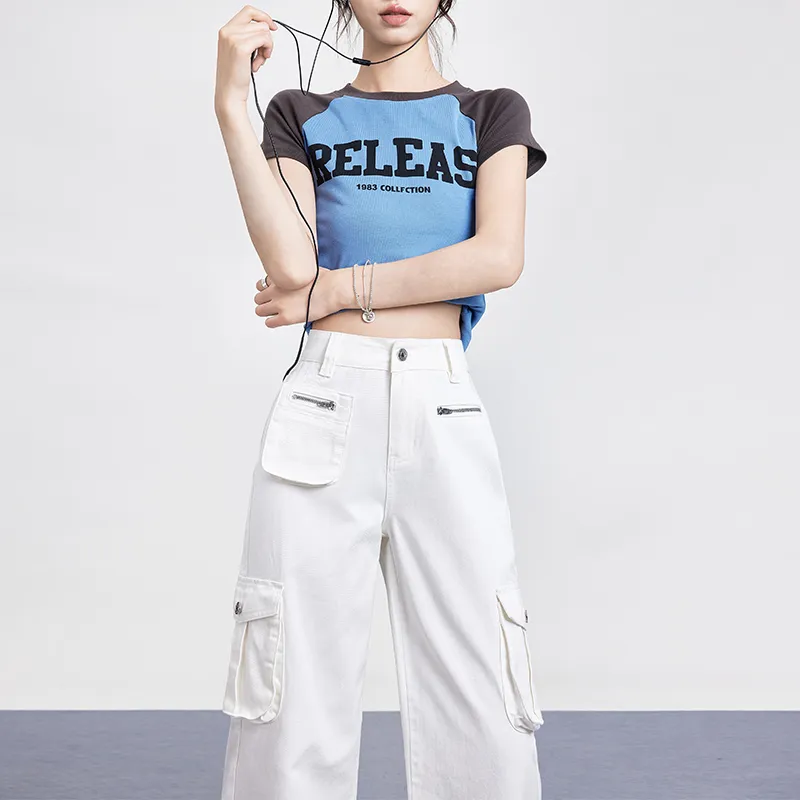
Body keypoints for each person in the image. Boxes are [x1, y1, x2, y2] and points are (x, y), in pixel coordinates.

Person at [213, 2, 547, 798]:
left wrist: (341, 288)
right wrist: (230, 106)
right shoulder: (300, 113)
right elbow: (293, 270)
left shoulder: (490, 113)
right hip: (326, 398)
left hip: (442, 403)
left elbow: (497, 258)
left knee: (479, 665)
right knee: (291, 664)